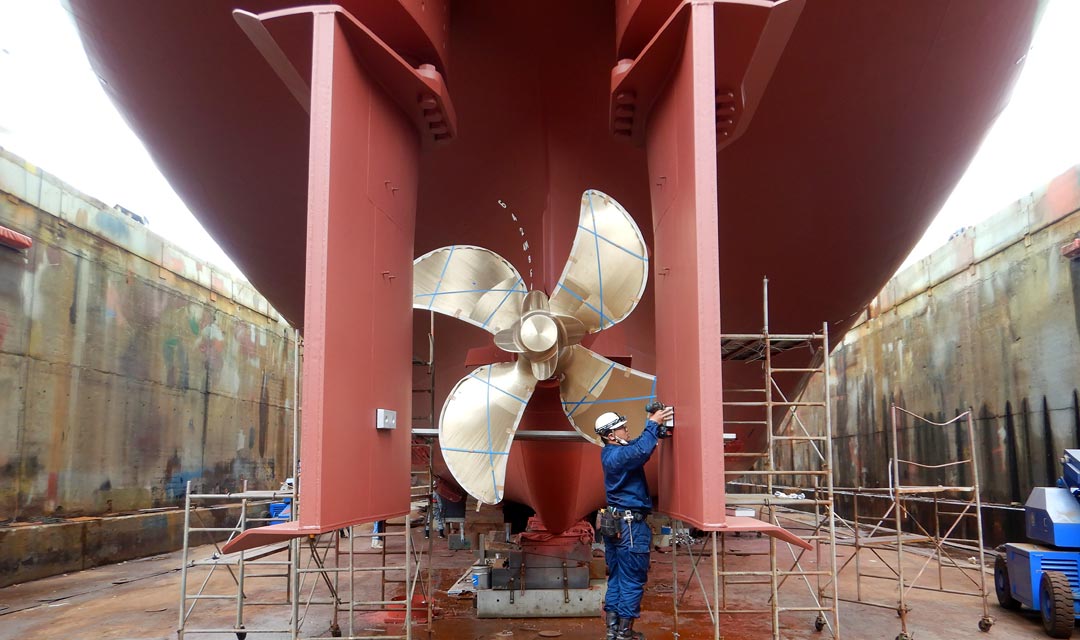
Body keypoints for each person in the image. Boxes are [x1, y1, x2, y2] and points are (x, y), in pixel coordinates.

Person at [595, 405, 674, 640]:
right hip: (630, 527)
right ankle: (625, 633)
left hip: (618, 525)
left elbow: (637, 448)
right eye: (622, 428)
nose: (626, 430)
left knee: (618, 578)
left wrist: (654, 433)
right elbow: (638, 452)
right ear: (611, 436)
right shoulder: (617, 456)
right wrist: (652, 423)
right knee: (632, 580)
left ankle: (613, 631)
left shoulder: (612, 454)